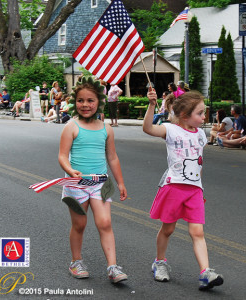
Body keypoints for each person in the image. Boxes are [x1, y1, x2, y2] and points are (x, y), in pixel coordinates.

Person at [143, 88, 224, 291]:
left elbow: (199, 164)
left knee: (197, 231)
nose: (203, 116)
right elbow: (148, 129)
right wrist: (152, 105)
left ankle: (205, 272)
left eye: (203, 112)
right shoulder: (170, 129)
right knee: (168, 229)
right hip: (173, 187)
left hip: (194, 189)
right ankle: (159, 262)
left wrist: (200, 187)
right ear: (184, 115)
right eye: (200, 113)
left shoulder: (201, 136)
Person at [58, 75, 128, 283]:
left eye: (90, 100)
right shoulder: (71, 126)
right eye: (81, 100)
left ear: (99, 102)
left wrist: (121, 182)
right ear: (74, 102)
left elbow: (112, 157)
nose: (85, 105)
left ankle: (113, 267)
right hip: (76, 185)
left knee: (105, 222)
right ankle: (76, 261)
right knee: (79, 224)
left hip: (101, 183)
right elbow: (62, 155)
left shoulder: (106, 129)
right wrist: (70, 171)